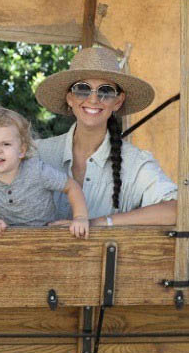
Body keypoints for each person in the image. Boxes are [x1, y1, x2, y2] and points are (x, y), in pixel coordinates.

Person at [34, 46, 177, 228]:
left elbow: (177, 210)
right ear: (70, 98)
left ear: (118, 101)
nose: (93, 99)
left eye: (106, 91)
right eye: (83, 89)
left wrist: (99, 223)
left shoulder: (135, 163)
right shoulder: (39, 153)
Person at [0, 107, 89, 237]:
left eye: (6, 144)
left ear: (21, 150)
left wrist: (80, 217)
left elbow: (71, 186)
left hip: (46, 234)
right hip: (7, 237)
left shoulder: (37, 170)